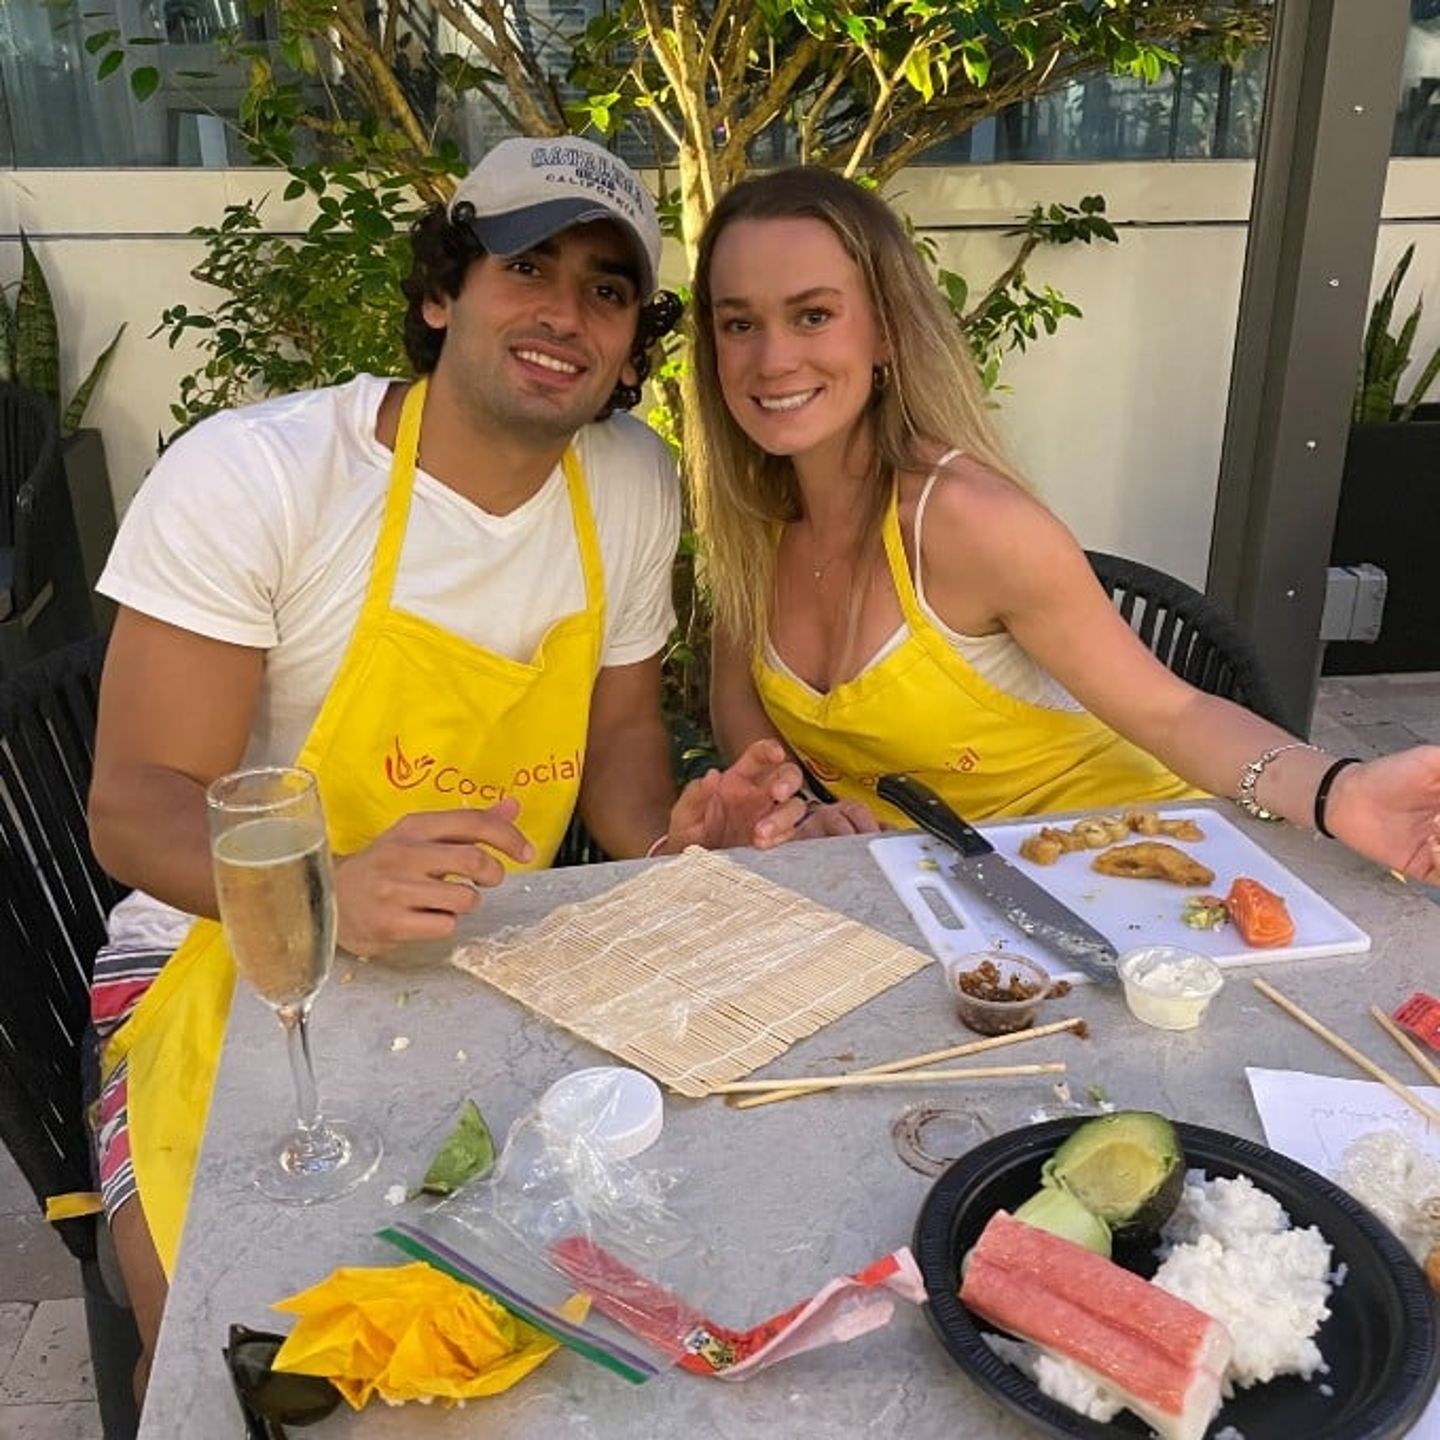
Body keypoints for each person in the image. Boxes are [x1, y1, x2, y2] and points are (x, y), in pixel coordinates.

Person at [86, 135, 809, 1397]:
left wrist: (673, 838)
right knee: (229, 1364)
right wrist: (322, 892)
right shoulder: (261, 478)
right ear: (440, 292)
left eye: (606, 289)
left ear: (631, 347)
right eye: (526, 266)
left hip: (496, 945)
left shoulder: (630, 482)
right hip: (217, 953)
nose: (564, 313)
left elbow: (620, 741)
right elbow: (132, 805)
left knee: (604, 1307)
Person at [687, 165, 1440, 881]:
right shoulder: (749, 526)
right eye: (739, 323)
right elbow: (742, 713)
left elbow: (1173, 713)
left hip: (1142, 871)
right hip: (949, 895)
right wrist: (794, 807)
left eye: (813, 316)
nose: (773, 358)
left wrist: (1341, 792)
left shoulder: (966, 520)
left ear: (885, 332)